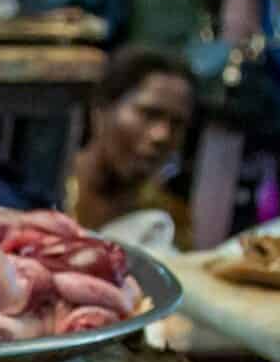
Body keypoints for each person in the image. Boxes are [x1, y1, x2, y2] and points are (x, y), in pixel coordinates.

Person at [66, 46, 195, 242]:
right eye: (149, 114)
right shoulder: (44, 194)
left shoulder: (169, 222)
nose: (162, 135)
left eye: (177, 124)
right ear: (101, 110)